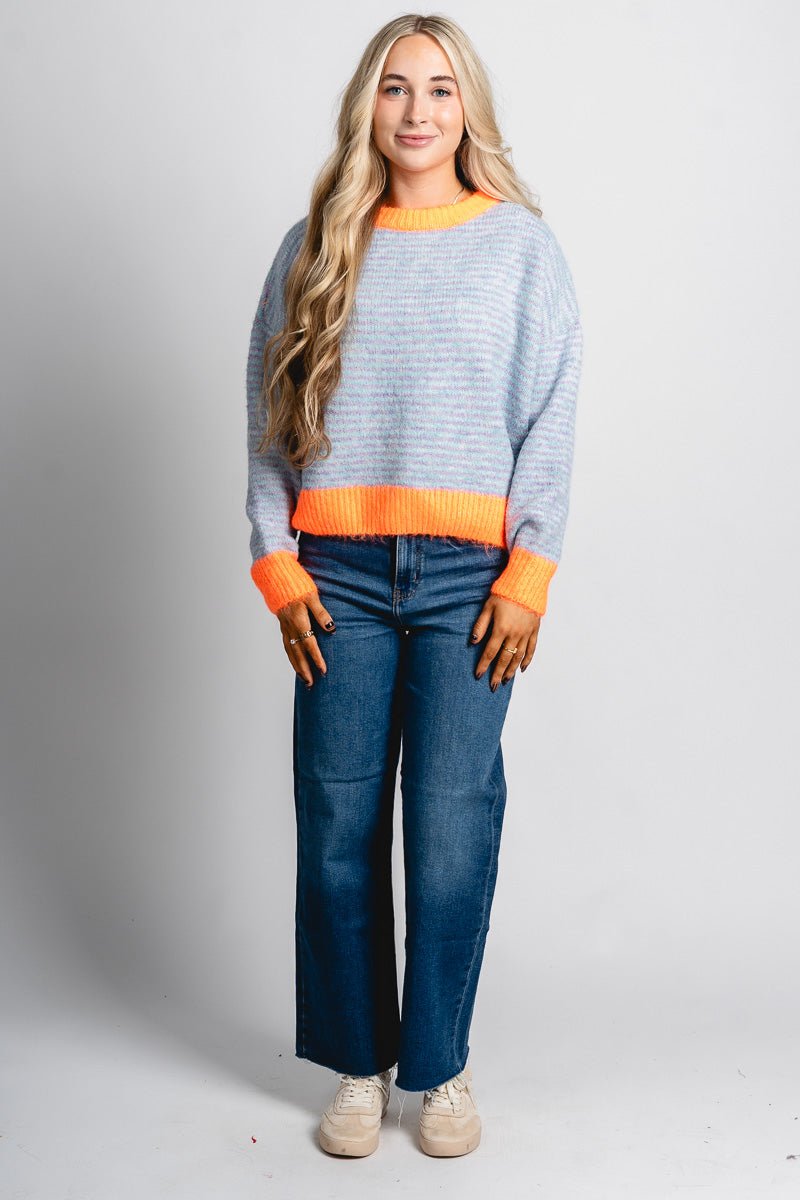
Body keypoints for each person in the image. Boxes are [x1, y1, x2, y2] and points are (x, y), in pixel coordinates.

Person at [245, 13, 583, 1159]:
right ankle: (357, 1063)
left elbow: (550, 418)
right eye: (395, 87)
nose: (417, 110)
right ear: (367, 107)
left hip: (466, 583)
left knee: (447, 828)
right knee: (337, 821)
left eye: (439, 88)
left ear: (467, 106)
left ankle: (437, 1067)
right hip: (334, 575)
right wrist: (274, 560)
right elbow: (266, 419)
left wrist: (527, 573)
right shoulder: (313, 246)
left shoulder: (519, 250)